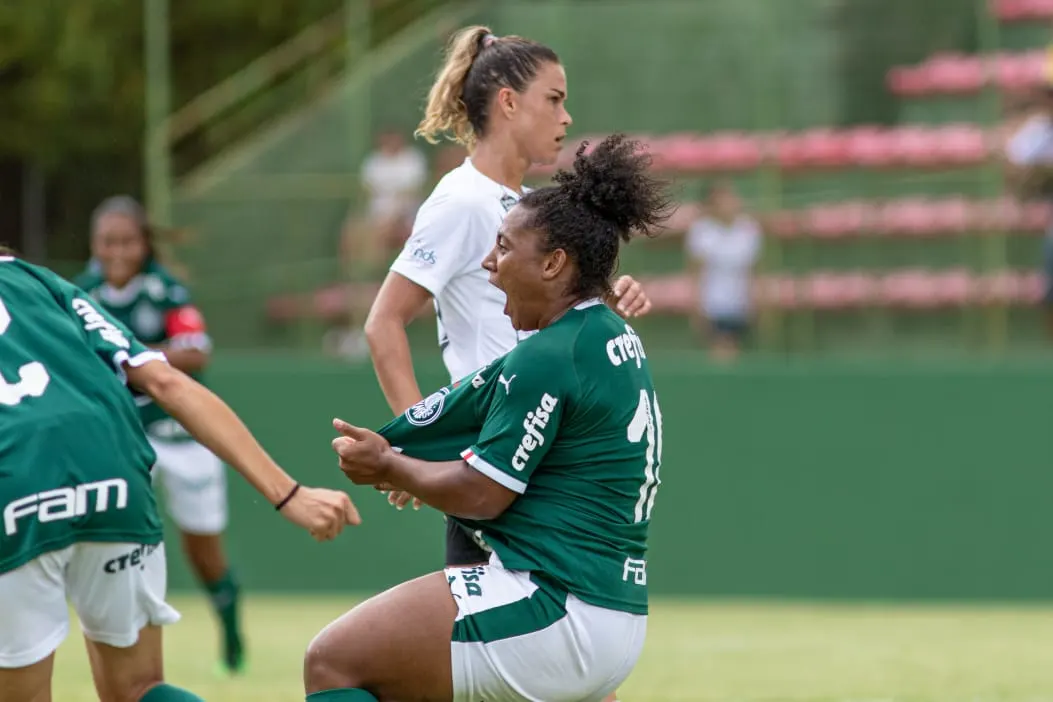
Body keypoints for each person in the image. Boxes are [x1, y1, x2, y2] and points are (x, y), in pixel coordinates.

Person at [305, 134, 668, 702]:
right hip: (611, 614)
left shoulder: (549, 356)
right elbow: (478, 397)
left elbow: (481, 495)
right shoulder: (609, 332)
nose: (488, 263)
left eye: (503, 247)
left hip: (555, 607)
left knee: (332, 663)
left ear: (553, 263)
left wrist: (390, 466)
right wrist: (402, 450)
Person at [364, 24, 651, 586]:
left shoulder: (525, 209)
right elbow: (384, 323)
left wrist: (607, 295)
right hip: (501, 461)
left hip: (549, 453)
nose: (567, 117)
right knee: (548, 647)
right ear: (509, 102)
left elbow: (556, 322)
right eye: (555, 99)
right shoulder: (462, 199)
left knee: (569, 648)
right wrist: (414, 444)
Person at [0, 251, 357, 702]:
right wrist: (289, 494)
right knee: (139, 688)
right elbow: (167, 383)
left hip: (14, 485)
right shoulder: (42, 281)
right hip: (114, 473)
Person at [74, 195, 247, 674]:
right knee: (123, 543)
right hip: (125, 442)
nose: (117, 251)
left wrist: (129, 355)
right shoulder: (80, 292)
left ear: (144, 243)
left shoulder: (166, 290)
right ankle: (127, 644)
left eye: (127, 241)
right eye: (107, 241)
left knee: (203, 551)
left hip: (183, 438)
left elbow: (195, 351)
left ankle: (231, 628)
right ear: (94, 244)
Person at [684, 180, 761, 361]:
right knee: (724, 352)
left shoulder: (749, 229)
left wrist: (756, 303)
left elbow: (753, 272)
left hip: (740, 306)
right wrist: (696, 309)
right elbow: (695, 274)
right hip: (713, 306)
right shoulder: (701, 232)